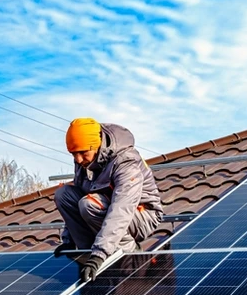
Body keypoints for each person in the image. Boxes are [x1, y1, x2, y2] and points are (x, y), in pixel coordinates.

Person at [53, 117, 164, 281]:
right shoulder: (85, 159)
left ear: (96, 145)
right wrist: (69, 240)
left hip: (142, 214)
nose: (78, 159)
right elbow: (78, 192)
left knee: (89, 204)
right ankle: (86, 255)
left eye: (83, 153)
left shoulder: (125, 161)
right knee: (63, 194)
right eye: (73, 154)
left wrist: (100, 253)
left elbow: (122, 209)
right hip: (106, 208)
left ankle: (127, 255)